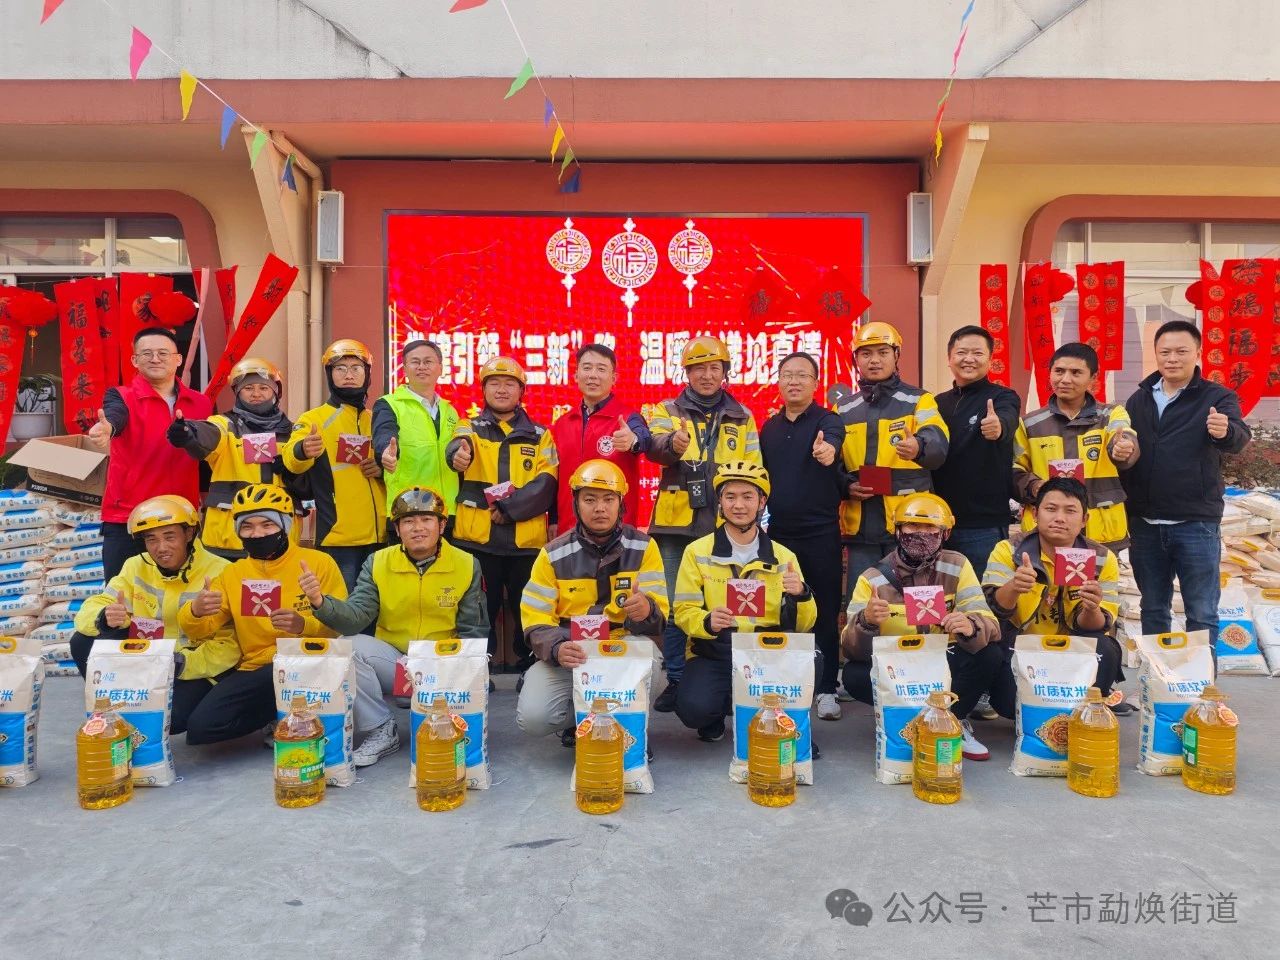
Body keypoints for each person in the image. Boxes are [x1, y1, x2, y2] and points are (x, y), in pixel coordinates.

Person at [302, 487, 488, 767]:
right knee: (348, 646)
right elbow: (355, 617)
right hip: (397, 663)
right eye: (408, 521)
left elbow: (474, 630)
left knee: (449, 737)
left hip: (443, 665)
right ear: (398, 529)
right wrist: (319, 601)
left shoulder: (466, 563)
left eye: (426, 520)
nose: (418, 528)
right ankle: (381, 728)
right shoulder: (378, 562)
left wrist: (467, 686)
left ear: (442, 525)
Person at [646, 336, 763, 714]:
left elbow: (755, 469)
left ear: (725, 372)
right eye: (699, 368)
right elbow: (654, 447)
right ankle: (677, 678)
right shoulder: (667, 409)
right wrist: (673, 444)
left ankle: (723, 680)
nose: (707, 375)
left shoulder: (742, 416)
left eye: (715, 368)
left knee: (724, 603)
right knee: (674, 605)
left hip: (724, 526)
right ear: (687, 372)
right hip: (675, 526)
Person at [178, 484, 346, 745]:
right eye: (247, 527)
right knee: (201, 728)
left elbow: (340, 625)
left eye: (267, 525)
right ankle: (275, 714)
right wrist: (195, 611)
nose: (257, 534)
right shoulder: (233, 573)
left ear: (285, 526)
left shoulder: (318, 563)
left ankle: (287, 711)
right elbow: (199, 630)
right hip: (255, 666)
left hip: (305, 661)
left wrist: (303, 625)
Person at [839, 493, 1001, 760]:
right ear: (897, 530)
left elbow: (990, 623)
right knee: (854, 675)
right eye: (912, 525)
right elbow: (849, 648)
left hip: (944, 660)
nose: (921, 534)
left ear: (945, 533)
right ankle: (904, 721)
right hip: (897, 668)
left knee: (989, 654)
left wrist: (971, 625)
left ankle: (952, 721)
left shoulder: (957, 565)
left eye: (930, 527)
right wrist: (866, 621)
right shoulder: (872, 578)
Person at [516, 460, 669, 743]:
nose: (600, 508)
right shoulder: (552, 554)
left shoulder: (644, 547)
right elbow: (535, 619)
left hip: (623, 649)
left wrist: (647, 610)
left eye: (609, 499)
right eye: (590, 499)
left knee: (651, 664)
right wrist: (557, 648)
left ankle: (630, 733)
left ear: (621, 503)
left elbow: (660, 618)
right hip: (573, 653)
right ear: (576, 503)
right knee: (534, 717)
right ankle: (583, 720)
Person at [1120, 319, 1251, 647]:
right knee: (1153, 609)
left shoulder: (1217, 397)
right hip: (1145, 523)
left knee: (1202, 612)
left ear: (1198, 353)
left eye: (1181, 351)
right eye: (1165, 352)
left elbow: (1238, 437)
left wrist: (1225, 431)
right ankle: (1158, 677)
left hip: (1195, 522)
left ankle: (1202, 680)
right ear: (1156, 354)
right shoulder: (1139, 399)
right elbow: (1126, 449)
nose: (1172, 359)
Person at [672, 462, 817, 743]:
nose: (738, 505)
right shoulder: (697, 551)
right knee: (694, 709)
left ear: (762, 502)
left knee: (814, 658)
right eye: (730, 496)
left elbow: (804, 625)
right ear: (720, 502)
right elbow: (683, 611)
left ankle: (784, 720)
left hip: (768, 653)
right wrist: (707, 621)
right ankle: (717, 712)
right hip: (716, 649)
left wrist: (801, 594)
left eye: (747, 497)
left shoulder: (784, 556)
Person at [70, 495, 236, 736]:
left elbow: (229, 645)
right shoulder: (135, 565)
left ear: (189, 534)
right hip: (145, 659)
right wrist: (104, 616)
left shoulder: (221, 570)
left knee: (172, 718)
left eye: (170, 537)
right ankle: (116, 707)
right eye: (151, 539)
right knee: (82, 641)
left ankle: (136, 705)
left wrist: (181, 663)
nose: (161, 548)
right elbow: (95, 606)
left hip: (188, 667)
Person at [445, 356, 558, 674]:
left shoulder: (540, 434)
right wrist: (458, 455)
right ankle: (478, 670)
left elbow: (547, 482)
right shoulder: (469, 427)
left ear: (522, 391)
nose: (502, 389)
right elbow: (457, 446)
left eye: (510, 383)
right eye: (494, 383)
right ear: (483, 390)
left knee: (529, 607)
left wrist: (509, 510)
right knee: (479, 610)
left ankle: (532, 667)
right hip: (477, 540)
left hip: (526, 542)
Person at [981, 477, 1128, 717]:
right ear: (1035, 514)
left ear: (1084, 520)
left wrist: (1092, 608)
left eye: (1070, 511)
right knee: (1009, 705)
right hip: (1021, 648)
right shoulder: (1009, 550)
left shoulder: (1102, 558)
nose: (1060, 518)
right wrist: (1014, 586)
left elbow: (1098, 626)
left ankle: (1084, 713)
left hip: (1072, 651)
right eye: (1051, 509)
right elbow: (992, 610)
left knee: (1105, 646)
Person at [836, 321, 949, 606]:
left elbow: (938, 443)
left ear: (896, 355)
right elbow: (832, 466)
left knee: (918, 607)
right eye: (866, 353)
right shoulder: (843, 409)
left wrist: (920, 446)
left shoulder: (919, 401)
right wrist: (846, 485)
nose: (874, 360)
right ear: (856, 359)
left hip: (910, 526)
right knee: (861, 607)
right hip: (861, 530)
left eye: (883, 352)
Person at [759, 351, 846, 720]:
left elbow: (834, 442)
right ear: (779, 382)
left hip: (821, 533)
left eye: (802, 375)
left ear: (815, 383)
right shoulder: (769, 428)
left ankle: (826, 688)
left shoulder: (828, 421)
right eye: (787, 375)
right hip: (778, 534)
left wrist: (828, 450)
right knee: (781, 609)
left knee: (824, 610)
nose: (794, 381)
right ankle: (785, 683)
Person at [87, 326, 213, 579]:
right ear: (135, 360)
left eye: (163, 353)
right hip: (128, 517)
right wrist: (108, 428)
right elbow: (116, 416)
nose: (155, 359)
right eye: (147, 353)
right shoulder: (121, 396)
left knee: (183, 590)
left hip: (180, 517)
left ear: (178, 359)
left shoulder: (201, 403)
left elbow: (205, 458)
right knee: (122, 593)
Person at [1012, 342, 1139, 552]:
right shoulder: (1029, 424)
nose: (1065, 379)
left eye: (1076, 372)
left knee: (1100, 577)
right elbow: (1014, 469)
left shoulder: (1111, 415)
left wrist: (1123, 448)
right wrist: (1035, 486)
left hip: (1102, 534)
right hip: (1046, 536)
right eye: (1059, 371)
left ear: (1093, 377)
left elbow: (1124, 435)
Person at [282, 339, 387, 590]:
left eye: (356, 368)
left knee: (380, 609)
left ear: (367, 373)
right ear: (329, 374)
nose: (349, 375)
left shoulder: (377, 420)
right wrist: (303, 450)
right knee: (342, 607)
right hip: (339, 540)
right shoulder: (314, 419)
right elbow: (290, 460)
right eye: (340, 368)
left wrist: (382, 469)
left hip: (382, 537)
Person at [167, 357, 297, 559]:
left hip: (279, 537)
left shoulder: (293, 432)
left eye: (263, 388)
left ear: (275, 391)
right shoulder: (225, 424)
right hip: (227, 538)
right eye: (248, 388)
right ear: (237, 392)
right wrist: (188, 432)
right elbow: (209, 432)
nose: (256, 394)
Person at [931, 324, 1022, 577]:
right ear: (949, 358)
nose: (969, 359)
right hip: (937, 523)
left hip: (983, 525)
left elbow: (1007, 419)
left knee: (984, 595)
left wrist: (998, 427)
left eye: (978, 353)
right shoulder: (937, 403)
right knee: (941, 596)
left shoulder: (1003, 397)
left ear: (990, 360)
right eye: (961, 352)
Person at [549, 343, 650, 536]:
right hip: (568, 531)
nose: (593, 375)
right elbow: (555, 476)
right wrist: (553, 519)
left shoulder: (628, 418)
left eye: (601, 369)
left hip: (616, 532)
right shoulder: (562, 424)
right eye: (587, 368)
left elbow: (644, 439)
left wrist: (633, 440)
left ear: (614, 378)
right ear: (576, 375)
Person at [373, 338, 460, 523]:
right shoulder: (389, 404)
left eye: (428, 361)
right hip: (407, 510)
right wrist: (385, 452)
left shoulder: (450, 411)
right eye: (415, 362)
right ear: (405, 369)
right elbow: (384, 432)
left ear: (440, 368)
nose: (422, 367)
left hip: (447, 511)